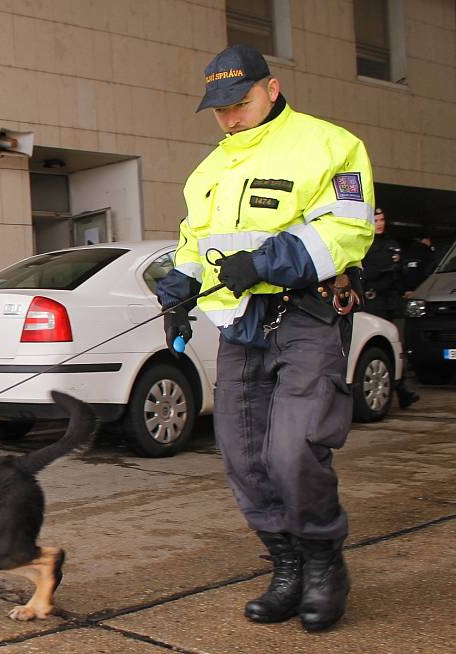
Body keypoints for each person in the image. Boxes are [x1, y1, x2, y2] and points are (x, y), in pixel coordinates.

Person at [157, 45, 375, 632]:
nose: (230, 117)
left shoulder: (331, 145)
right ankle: (287, 566)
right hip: (239, 326)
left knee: (294, 449)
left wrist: (267, 261)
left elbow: (349, 228)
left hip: (306, 316)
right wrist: (177, 289)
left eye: (241, 102)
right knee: (244, 456)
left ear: (271, 88)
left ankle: (324, 563)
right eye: (219, 109)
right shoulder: (209, 170)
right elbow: (195, 244)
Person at [360, 208, 419, 407]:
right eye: (376, 219)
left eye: (382, 219)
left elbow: (399, 274)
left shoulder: (392, 245)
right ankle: (401, 389)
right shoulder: (363, 243)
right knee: (378, 346)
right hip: (372, 302)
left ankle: (401, 389)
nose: (379, 223)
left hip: (390, 302)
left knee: (397, 346)